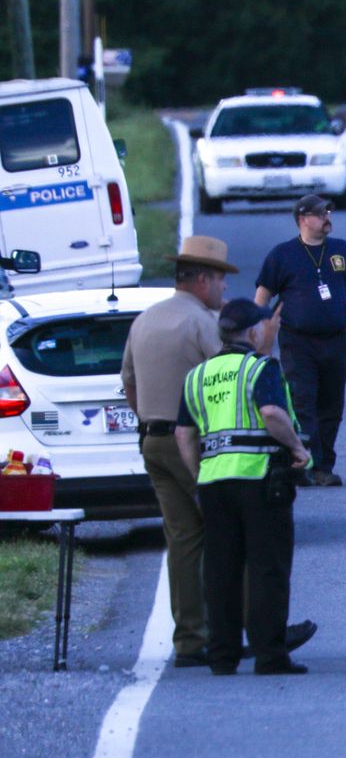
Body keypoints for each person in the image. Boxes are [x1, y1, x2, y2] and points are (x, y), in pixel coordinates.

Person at [173, 301, 314, 675]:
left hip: (214, 484)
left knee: (221, 570)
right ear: (253, 332)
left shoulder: (197, 376)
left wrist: (198, 475)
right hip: (260, 479)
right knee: (267, 568)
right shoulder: (259, 368)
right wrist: (298, 447)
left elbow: (184, 434)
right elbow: (271, 414)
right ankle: (270, 655)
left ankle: (222, 656)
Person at [120, 237, 227, 667]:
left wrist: (150, 419)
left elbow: (127, 380)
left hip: (153, 440)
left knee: (183, 538)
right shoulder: (203, 323)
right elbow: (229, 374)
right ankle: (253, 629)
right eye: (220, 280)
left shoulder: (144, 319)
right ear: (202, 279)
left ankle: (188, 640)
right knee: (228, 529)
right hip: (192, 442)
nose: (223, 290)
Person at [254, 194, 346, 487]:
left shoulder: (342, 251)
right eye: (321, 214)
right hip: (298, 343)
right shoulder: (282, 255)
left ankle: (324, 466)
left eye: (329, 212)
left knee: (331, 405)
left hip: (335, 342)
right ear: (303, 218)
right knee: (303, 402)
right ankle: (307, 463)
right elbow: (263, 295)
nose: (327, 218)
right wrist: (261, 330)